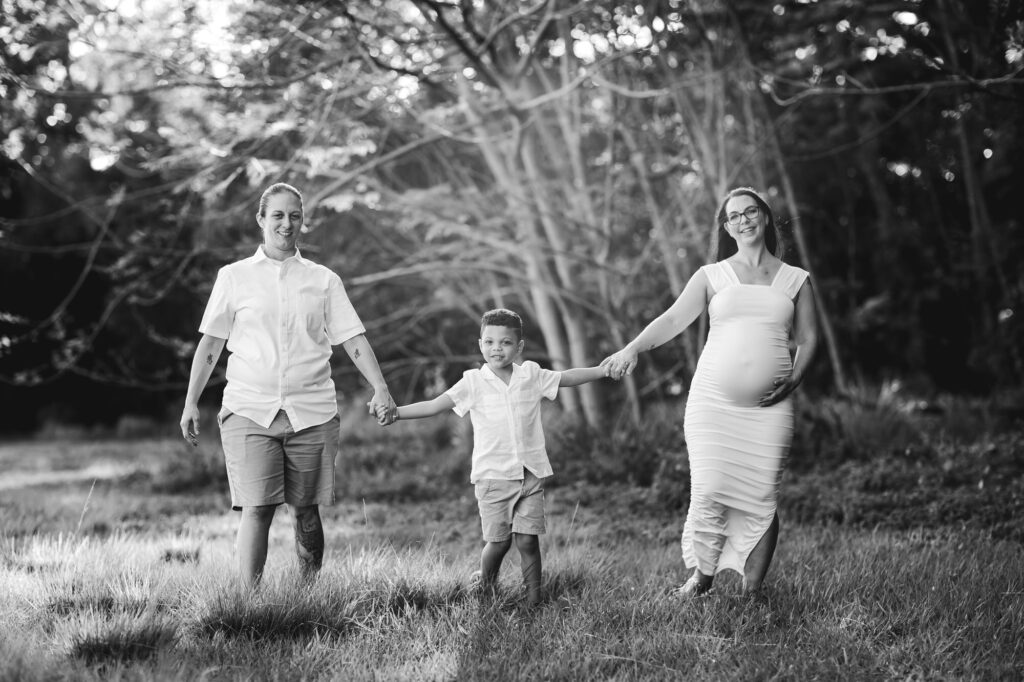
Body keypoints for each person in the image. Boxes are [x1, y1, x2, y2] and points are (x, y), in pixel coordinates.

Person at [178, 182, 397, 589]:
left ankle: (306, 596)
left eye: (294, 215)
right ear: (261, 220)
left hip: (311, 411)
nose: (286, 223)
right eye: (277, 215)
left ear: (303, 221)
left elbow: (352, 338)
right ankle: (249, 602)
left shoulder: (324, 280)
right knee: (257, 507)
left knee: (306, 510)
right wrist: (191, 402)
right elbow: (211, 344)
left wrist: (380, 388)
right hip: (248, 408)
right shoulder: (234, 277)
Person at [602, 187, 818, 598]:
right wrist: (632, 347)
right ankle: (702, 579)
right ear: (726, 226)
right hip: (712, 404)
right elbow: (671, 320)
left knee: (762, 491)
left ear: (765, 217)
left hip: (770, 406)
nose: (743, 220)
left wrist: (795, 378)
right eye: (733, 216)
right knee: (710, 488)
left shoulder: (796, 278)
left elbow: (808, 338)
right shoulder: (711, 275)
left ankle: (752, 592)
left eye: (750, 212)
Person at [376, 308, 608, 607]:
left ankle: (533, 600)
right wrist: (396, 413)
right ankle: (485, 585)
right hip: (493, 477)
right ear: (480, 344)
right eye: (489, 342)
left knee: (527, 540)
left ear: (519, 347)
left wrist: (603, 370)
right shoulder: (473, 382)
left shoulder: (531, 375)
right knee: (498, 543)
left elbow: (567, 377)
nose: (496, 348)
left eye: (506, 342)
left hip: (530, 472)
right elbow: (435, 405)